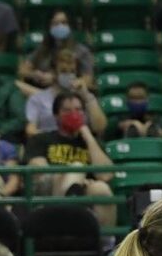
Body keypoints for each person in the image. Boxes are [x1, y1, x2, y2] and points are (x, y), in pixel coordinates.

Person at [24, 93, 116, 229]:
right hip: (51, 190)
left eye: (79, 110)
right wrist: (70, 175)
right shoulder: (41, 139)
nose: (74, 114)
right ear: (56, 115)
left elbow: (106, 175)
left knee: (102, 189)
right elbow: (39, 171)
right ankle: (68, 218)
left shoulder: (92, 144)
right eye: (67, 110)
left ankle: (105, 244)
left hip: (84, 190)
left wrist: (88, 135)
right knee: (77, 168)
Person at [24, 49, 105, 138]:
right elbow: (30, 130)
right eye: (63, 71)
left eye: (72, 71)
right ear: (54, 72)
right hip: (49, 145)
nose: (68, 75)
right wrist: (56, 139)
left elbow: (99, 127)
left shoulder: (84, 98)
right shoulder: (38, 99)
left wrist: (87, 96)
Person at [17, 10, 93, 96]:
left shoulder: (81, 51)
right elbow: (22, 70)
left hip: (68, 94)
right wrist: (35, 75)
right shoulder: (43, 49)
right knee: (15, 84)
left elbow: (88, 79)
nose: (60, 26)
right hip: (42, 92)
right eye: (55, 24)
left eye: (64, 23)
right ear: (49, 27)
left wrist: (54, 79)